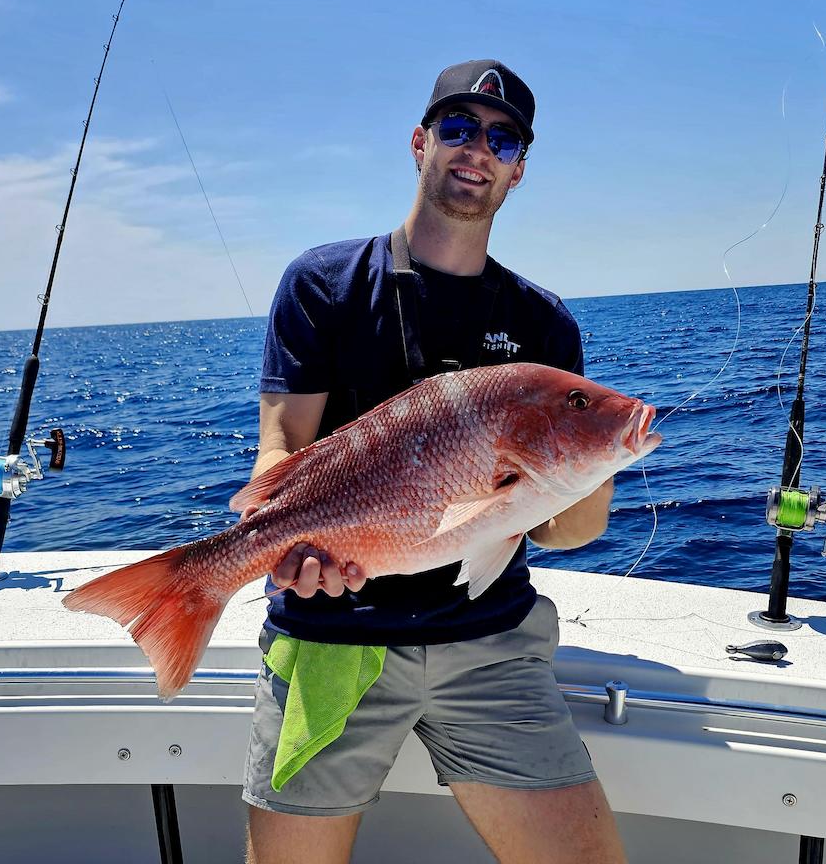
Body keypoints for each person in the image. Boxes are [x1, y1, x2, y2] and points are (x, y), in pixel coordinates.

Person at [241, 60, 626, 864]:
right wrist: (283, 548)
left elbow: (562, 535)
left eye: (502, 137)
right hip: (331, 638)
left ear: (518, 169)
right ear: (420, 143)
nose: (476, 148)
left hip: (493, 640)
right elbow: (282, 451)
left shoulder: (543, 323)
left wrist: (595, 455)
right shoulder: (324, 283)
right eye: (457, 127)